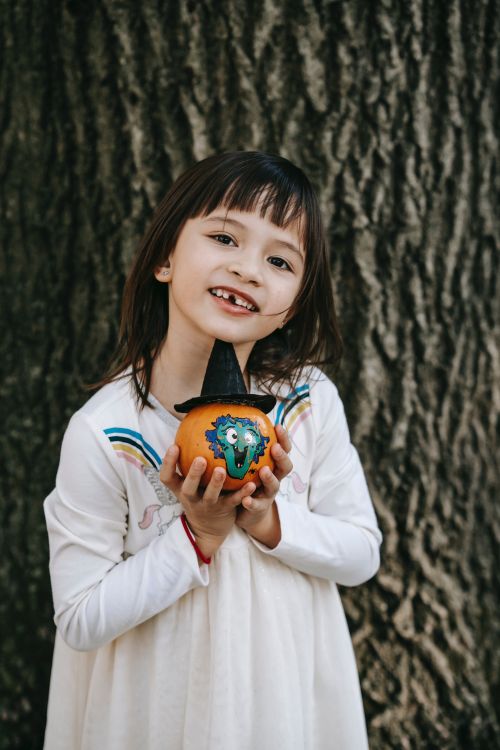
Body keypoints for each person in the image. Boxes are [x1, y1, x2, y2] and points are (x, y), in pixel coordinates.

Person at [43, 151, 383, 750]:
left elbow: (360, 553)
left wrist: (269, 518)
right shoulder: (107, 431)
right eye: (225, 237)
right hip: (157, 707)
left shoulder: (307, 405)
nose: (249, 268)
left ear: (294, 306)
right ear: (165, 258)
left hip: (280, 697)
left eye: (279, 259)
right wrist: (195, 534)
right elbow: (79, 616)